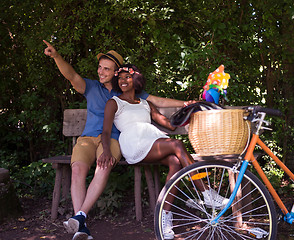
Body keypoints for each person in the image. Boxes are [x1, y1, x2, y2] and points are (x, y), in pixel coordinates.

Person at [43, 40, 196, 240]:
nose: (101, 71)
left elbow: (157, 101)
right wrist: (56, 56)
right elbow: (71, 75)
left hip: (113, 141)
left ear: (116, 72)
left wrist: (184, 103)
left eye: (106, 68)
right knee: (78, 169)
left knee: (103, 165)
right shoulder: (90, 86)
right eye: (100, 67)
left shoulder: (125, 90)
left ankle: (80, 220)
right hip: (88, 139)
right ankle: (81, 224)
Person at [101, 64, 229, 240]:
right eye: (120, 77)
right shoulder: (114, 102)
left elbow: (169, 124)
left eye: (127, 77)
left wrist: (191, 109)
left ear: (135, 79)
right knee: (176, 145)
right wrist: (106, 151)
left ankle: (164, 217)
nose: (123, 80)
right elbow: (106, 131)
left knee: (175, 162)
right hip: (133, 141)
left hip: (151, 139)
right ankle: (206, 193)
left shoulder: (146, 103)